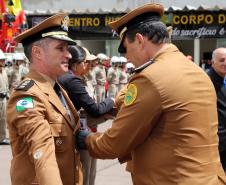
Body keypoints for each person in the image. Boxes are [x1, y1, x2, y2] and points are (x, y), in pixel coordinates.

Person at [77, 3, 226, 185]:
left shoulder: (150, 78)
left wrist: (88, 139)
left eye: (126, 48)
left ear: (140, 40)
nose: (127, 58)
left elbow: (114, 143)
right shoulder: (198, 72)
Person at [7, 13, 83, 185]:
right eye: (60, 48)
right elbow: (42, 152)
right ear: (38, 52)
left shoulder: (56, 89)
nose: (69, 55)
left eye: (67, 48)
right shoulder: (27, 96)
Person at [58, 45, 114, 185]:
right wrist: (111, 101)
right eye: (86, 62)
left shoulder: (81, 78)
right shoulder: (72, 80)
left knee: (90, 174)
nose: (89, 65)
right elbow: (92, 109)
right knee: (84, 173)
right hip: (81, 131)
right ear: (76, 64)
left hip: (88, 129)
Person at [207, 48, 226, 172]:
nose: (225, 63)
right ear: (212, 63)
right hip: (219, 141)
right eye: (222, 60)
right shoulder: (207, 80)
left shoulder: (222, 77)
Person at [0, 49, 10, 145]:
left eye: (3, 60)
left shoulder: (4, 71)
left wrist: (8, 95)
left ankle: (2, 138)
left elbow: (6, 85)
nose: (3, 62)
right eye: (1, 60)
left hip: (3, 98)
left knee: (3, 119)